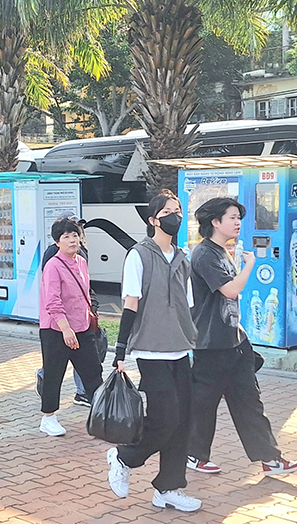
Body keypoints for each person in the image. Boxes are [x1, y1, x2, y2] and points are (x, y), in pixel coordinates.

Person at [187, 197, 297, 477]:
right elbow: (229, 291)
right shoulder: (205, 254)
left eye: (238, 217)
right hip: (211, 344)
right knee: (204, 405)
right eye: (232, 217)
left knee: (249, 401)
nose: (238, 222)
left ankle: (271, 459)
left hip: (234, 341)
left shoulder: (221, 251)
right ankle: (194, 455)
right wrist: (249, 265)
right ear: (215, 222)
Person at [107, 190, 201, 512]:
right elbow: (130, 304)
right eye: (168, 212)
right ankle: (123, 457)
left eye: (177, 210)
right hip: (151, 350)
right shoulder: (139, 255)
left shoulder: (183, 258)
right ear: (153, 220)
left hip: (180, 349)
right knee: (165, 419)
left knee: (183, 420)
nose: (174, 216)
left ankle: (168, 488)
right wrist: (120, 350)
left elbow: (188, 306)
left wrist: (197, 341)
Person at [37, 218, 103, 437]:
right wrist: (66, 329)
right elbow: (52, 301)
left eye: (74, 235)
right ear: (57, 242)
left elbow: (85, 293)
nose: (72, 240)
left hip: (82, 326)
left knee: (93, 371)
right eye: (66, 236)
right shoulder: (53, 266)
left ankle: (101, 415)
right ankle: (48, 417)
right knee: (54, 373)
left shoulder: (81, 261)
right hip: (56, 329)